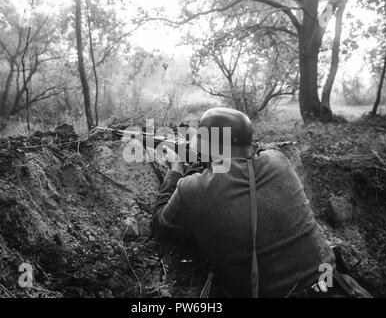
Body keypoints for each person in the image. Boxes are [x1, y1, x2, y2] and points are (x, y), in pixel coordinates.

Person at [151, 107, 353, 298]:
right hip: (335, 283)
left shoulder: (193, 190)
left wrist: (175, 170)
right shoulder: (278, 161)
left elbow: (160, 224)